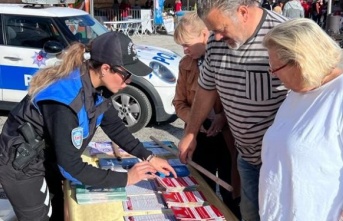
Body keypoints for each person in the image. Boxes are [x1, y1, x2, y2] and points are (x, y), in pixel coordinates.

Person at [0, 32, 176, 221]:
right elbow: (71, 167)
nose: (129, 81)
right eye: (126, 75)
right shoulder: (64, 101)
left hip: (47, 156)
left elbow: (115, 127)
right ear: (106, 69)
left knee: (58, 209)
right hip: (21, 164)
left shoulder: (98, 87)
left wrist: (148, 155)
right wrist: (126, 178)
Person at [177, 0, 288, 220]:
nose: (216, 38)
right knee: (248, 215)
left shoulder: (284, 35)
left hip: (281, 165)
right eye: (212, 31)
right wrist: (191, 133)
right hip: (246, 158)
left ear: (243, 13)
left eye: (220, 29)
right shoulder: (216, 42)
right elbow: (206, 89)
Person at [259, 18, 343, 221]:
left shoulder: (338, 94)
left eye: (275, 69)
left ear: (300, 61)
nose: (274, 76)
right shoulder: (298, 93)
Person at [173, 11, 241, 219]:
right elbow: (179, 103)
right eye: (181, 46)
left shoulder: (228, 58)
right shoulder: (186, 64)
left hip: (228, 137)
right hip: (199, 137)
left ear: (204, 35)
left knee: (232, 192)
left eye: (187, 44)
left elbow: (239, 99)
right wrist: (194, 122)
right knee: (202, 188)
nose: (185, 50)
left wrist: (224, 119)